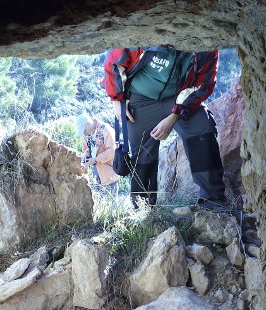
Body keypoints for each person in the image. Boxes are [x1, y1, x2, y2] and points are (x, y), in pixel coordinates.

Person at [104, 46, 226, 208]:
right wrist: (116, 99)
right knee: (142, 150)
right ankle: (143, 208)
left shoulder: (204, 45)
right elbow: (114, 62)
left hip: (179, 97)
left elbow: (203, 83)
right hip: (141, 97)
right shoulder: (146, 38)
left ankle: (213, 200)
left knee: (202, 129)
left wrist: (174, 116)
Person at [75, 113, 120, 196]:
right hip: (95, 176)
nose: (84, 134)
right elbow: (85, 150)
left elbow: (112, 151)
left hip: (109, 175)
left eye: (84, 130)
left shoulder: (106, 130)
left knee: (111, 204)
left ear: (89, 123)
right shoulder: (86, 135)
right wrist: (86, 156)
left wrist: (95, 160)